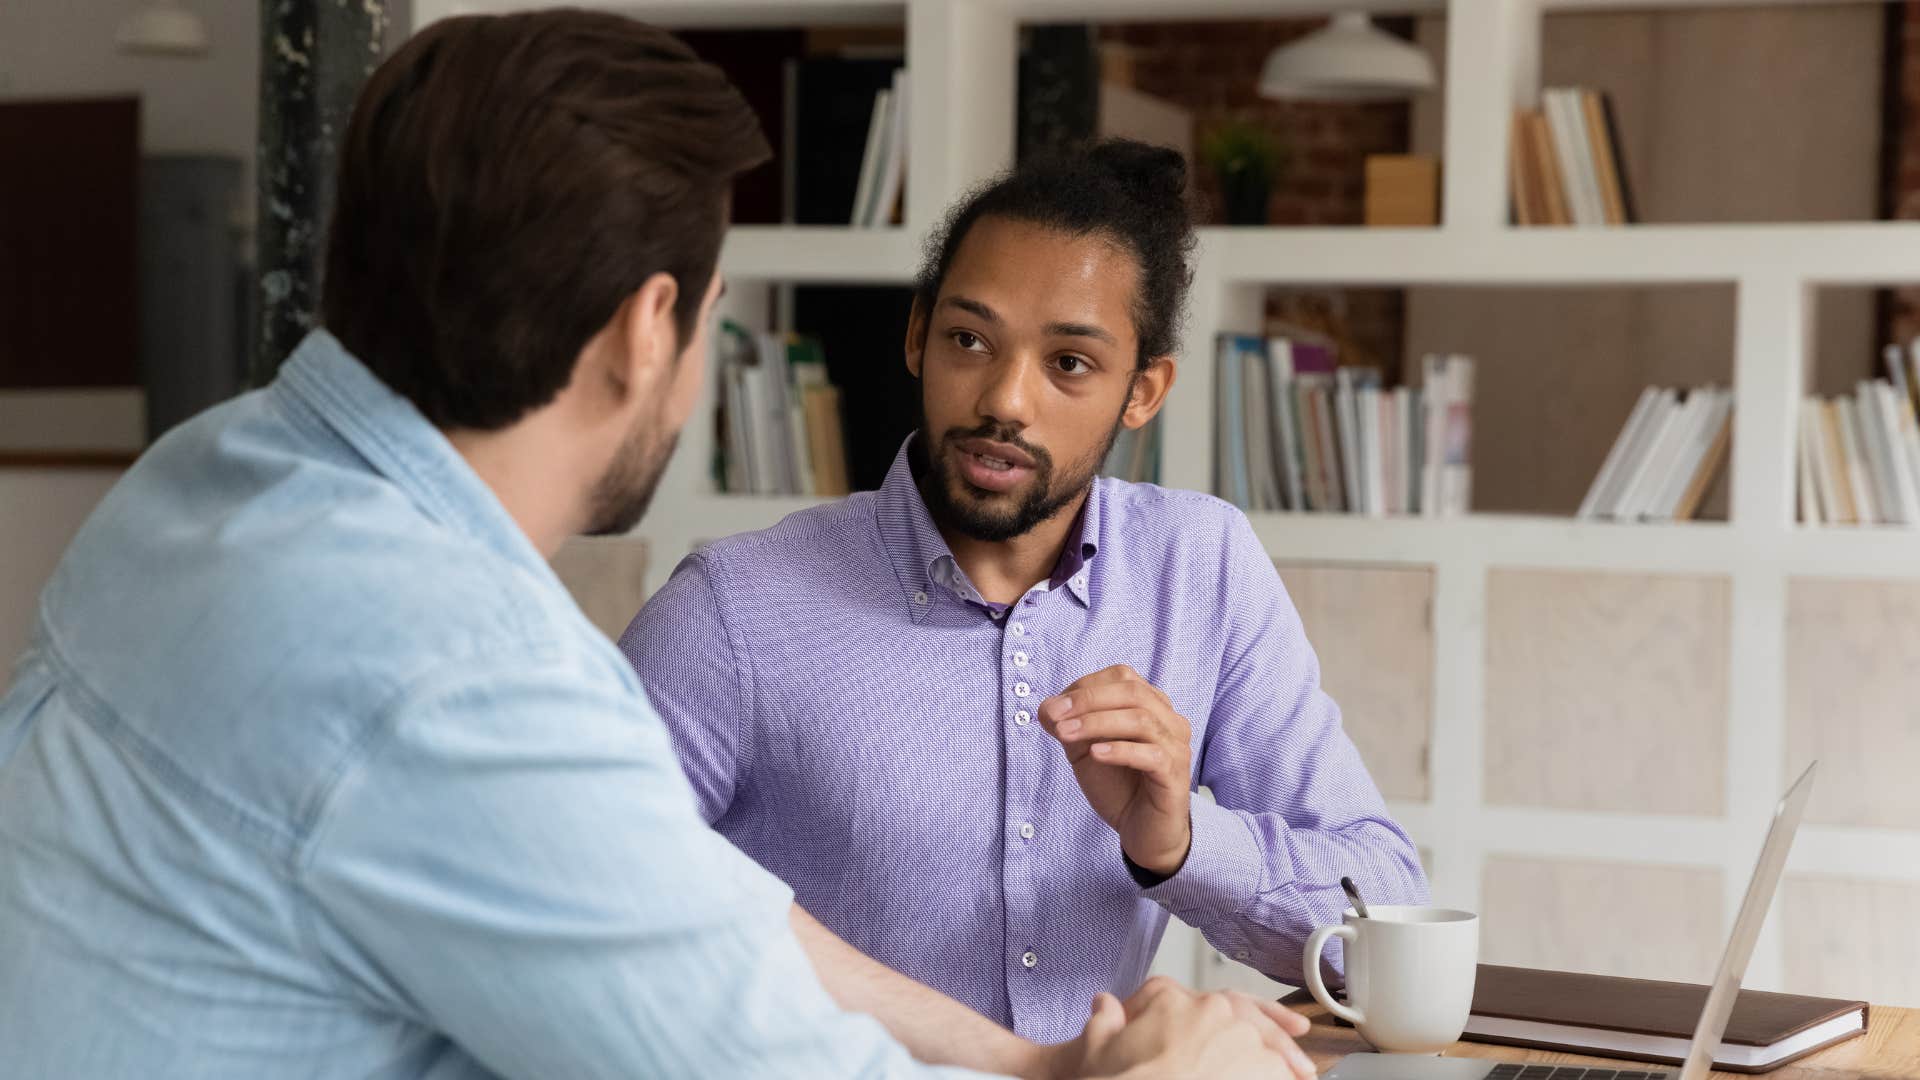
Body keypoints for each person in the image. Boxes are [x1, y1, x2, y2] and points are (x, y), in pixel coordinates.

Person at [0, 12, 1310, 1079]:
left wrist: (1036, 1069)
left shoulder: (215, 471)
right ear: (649, 331)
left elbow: (695, 915)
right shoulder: (463, 683)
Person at [622, 138, 1431, 1047]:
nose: (1006, 399)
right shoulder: (731, 609)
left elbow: (1387, 925)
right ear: (918, 334)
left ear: (1144, 391)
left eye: (1070, 364)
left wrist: (1179, 847)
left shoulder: (1199, 567)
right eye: (971, 340)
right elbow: (594, 921)